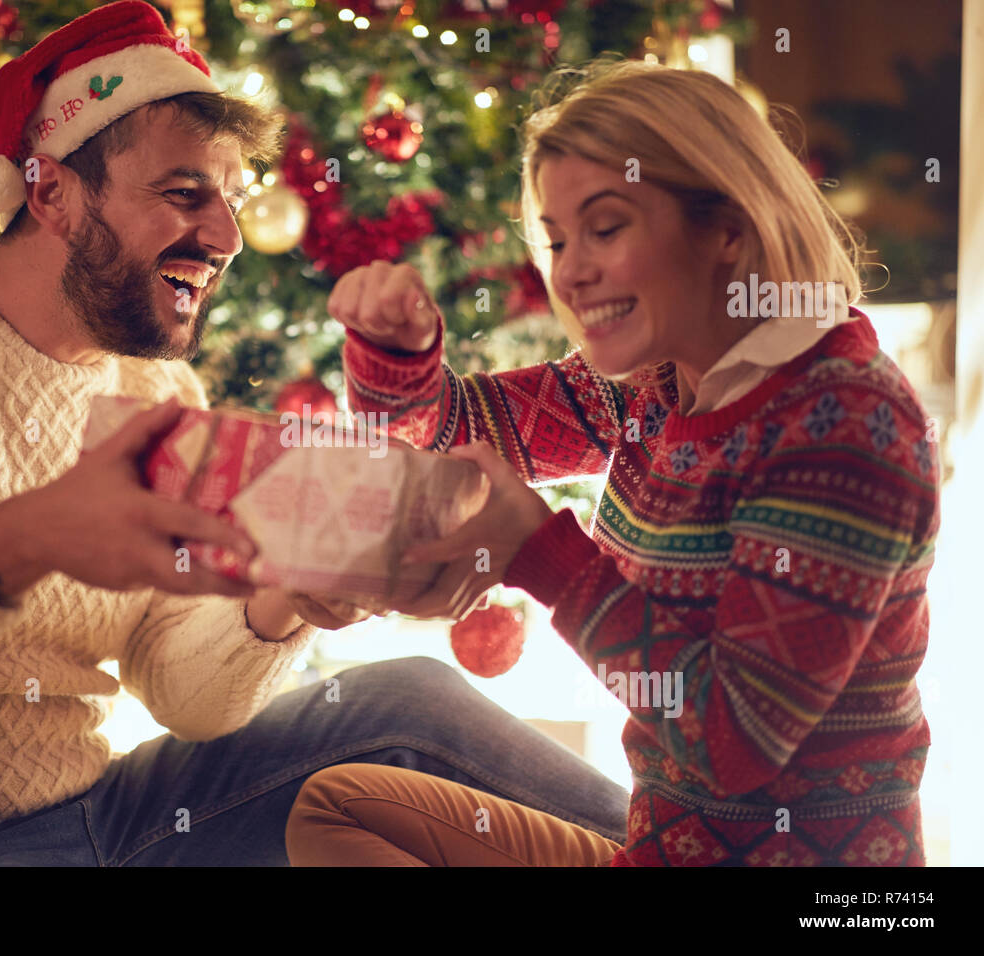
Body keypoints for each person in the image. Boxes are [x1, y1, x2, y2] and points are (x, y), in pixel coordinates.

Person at [0, 1, 628, 867]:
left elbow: (184, 692)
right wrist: (36, 532)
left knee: (401, 705)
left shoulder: (156, 389)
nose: (225, 234)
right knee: (393, 731)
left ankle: (685, 850)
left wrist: (286, 599)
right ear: (49, 193)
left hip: (84, 822)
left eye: (230, 196)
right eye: (183, 194)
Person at [288, 59, 939, 866]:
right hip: (660, 851)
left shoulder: (842, 420)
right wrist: (401, 353)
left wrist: (543, 556)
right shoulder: (654, 382)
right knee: (339, 807)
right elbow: (456, 428)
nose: (570, 270)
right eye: (557, 240)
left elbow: (732, 742)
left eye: (605, 228)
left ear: (726, 228)